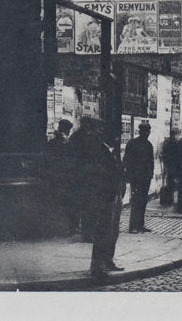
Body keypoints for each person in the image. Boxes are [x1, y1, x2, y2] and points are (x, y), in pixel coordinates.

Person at [68, 117, 125, 279]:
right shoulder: (85, 144)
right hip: (100, 193)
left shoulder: (98, 144)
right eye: (97, 128)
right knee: (103, 230)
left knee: (111, 230)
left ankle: (106, 261)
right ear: (89, 129)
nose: (100, 131)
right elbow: (89, 169)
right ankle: (98, 266)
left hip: (110, 192)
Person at [44, 119, 79, 234]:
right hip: (67, 177)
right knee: (70, 202)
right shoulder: (69, 144)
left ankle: (58, 226)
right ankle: (71, 227)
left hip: (55, 177)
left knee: (57, 202)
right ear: (68, 130)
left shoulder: (51, 143)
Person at [123, 121, 154, 233]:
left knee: (143, 201)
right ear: (140, 131)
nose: (147, 133)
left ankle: (140, 225)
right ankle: (133, 226)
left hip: (145, 177)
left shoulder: (149, 145)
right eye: (145, 131)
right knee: (136, 201)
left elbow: (151, 161)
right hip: (136, 177)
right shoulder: (132, 143)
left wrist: (151, 174)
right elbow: (126, 160)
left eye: (148, 131)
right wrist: (129, 175)